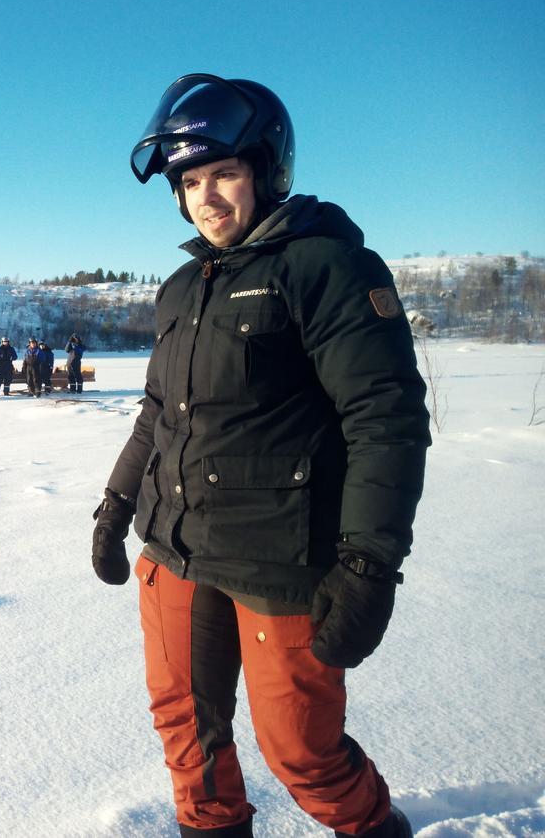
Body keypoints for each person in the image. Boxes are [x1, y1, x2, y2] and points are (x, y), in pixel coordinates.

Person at [90, 74, 429, 838]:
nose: (205, 197)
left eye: (224, 175)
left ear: (267, 172)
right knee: (185, 729)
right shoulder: (181, 287)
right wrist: (116, 506)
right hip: (173, 548)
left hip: (279, 559)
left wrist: (369, 563)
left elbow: (386, 421)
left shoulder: (326, 268)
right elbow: (156, 416)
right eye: (189, 182)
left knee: (301, 751)